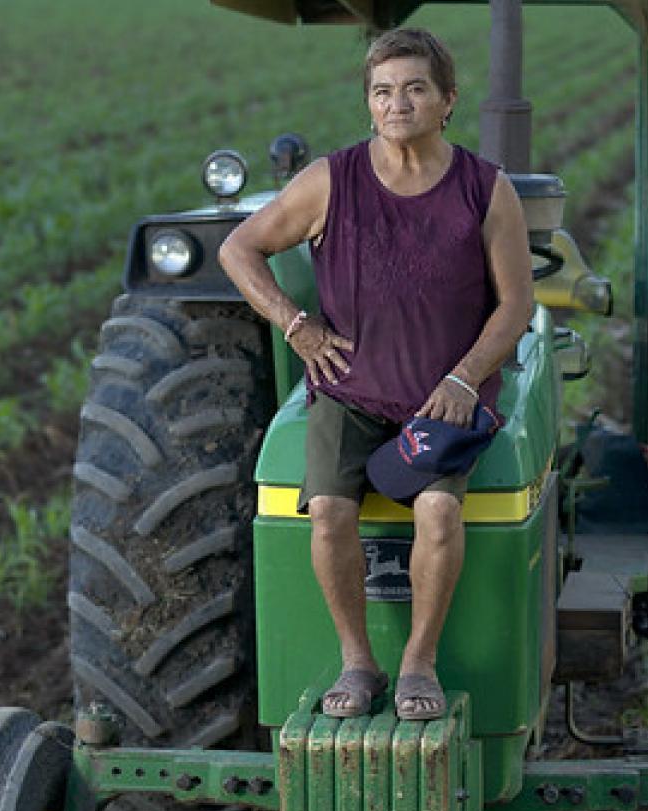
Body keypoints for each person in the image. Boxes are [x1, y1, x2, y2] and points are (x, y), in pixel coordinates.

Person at [218, 26, 533, 721]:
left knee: (440, 511)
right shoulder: (333, 180)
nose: (398, 103)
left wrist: (464, 378)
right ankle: (359, 662)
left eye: (415, 88)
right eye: (383, 91)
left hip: (440, 402)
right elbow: (240, 248)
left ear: (447, 100)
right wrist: (295, 325)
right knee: (327, 513)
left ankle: (419, 663)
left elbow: (517, 305)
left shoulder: (485, 190)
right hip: (350, 392)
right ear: (369, 103)